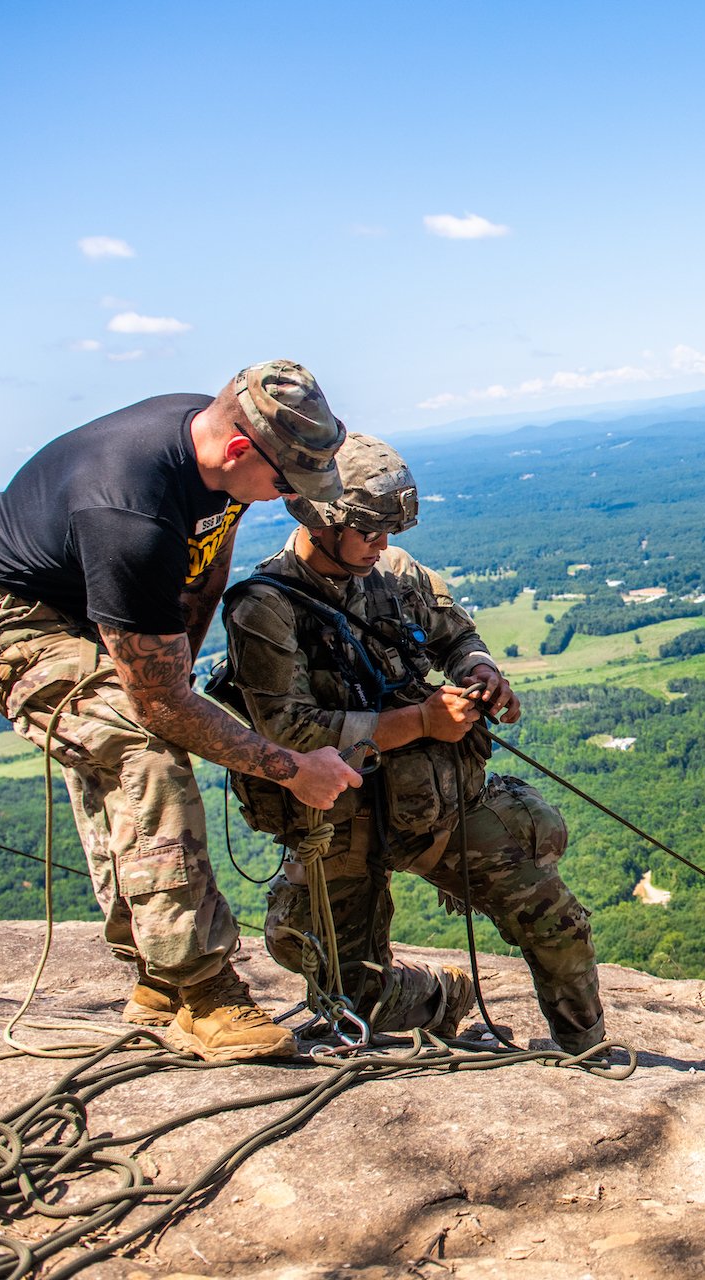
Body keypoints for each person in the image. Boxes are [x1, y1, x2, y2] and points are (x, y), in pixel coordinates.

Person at [0, 361, 364, 1061]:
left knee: (135, 739)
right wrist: (292, 769)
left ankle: (157, 980)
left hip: (95, 606)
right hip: (19, 623)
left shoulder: (217, 451)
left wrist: (181, 660)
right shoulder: (128, 511)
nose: (284, 498)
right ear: (236, 450)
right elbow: (161, 707)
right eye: (284, 482)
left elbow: (208, 552)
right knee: (140, 749)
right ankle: (202, 995)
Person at [217, 433, 604, 1053]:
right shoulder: (265, 608)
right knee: (353, 994)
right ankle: (441, 999)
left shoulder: (392, 574)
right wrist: (420, 722)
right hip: (336, 825)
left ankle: (586, 1050)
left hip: (432, 807)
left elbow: (456, 637)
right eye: (368, 532)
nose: (382, 546)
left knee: (556, 923)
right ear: (321, 518)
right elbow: (286, 733)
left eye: (387, 533)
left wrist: (479, 672)